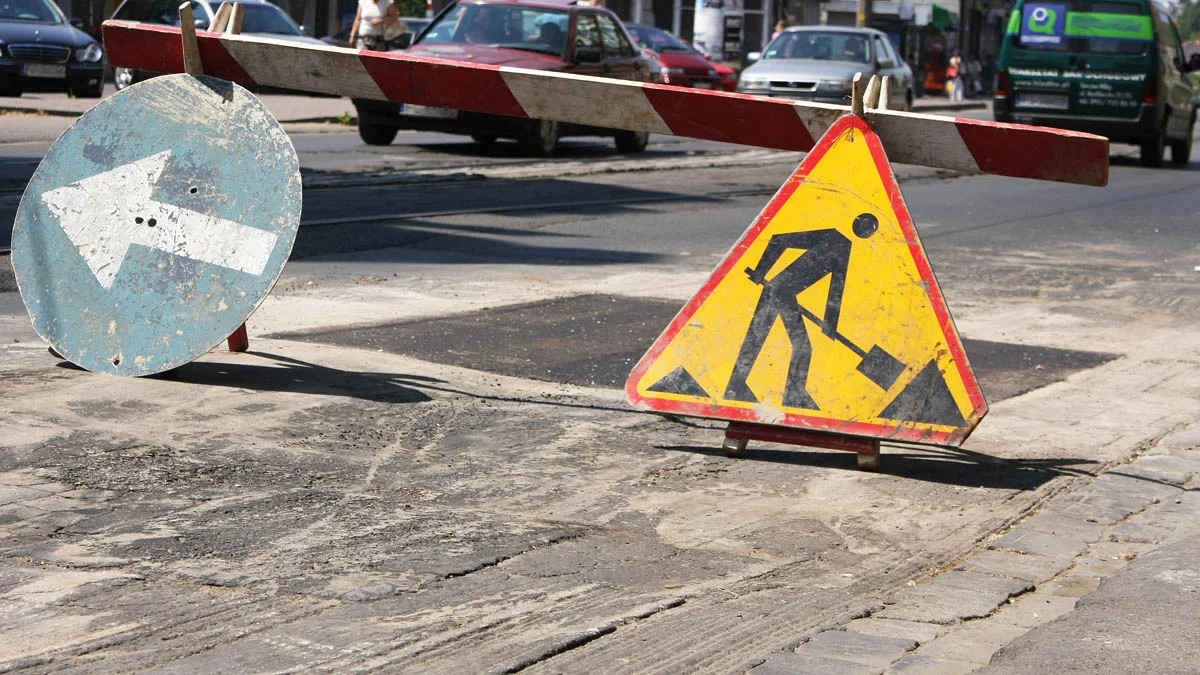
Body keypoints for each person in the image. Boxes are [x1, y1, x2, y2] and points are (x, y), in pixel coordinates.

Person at [723, 213, 880, 411]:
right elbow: (779, 239)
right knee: (776, 342)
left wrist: (830, 325)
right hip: (777, 291)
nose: (869, 232)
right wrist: (761, 271)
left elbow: (836, 289)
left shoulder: (843, 249)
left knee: (760, 339)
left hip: (783, 294)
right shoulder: (832, 238)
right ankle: (788, 395)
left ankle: (740, 387)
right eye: (868, 227)